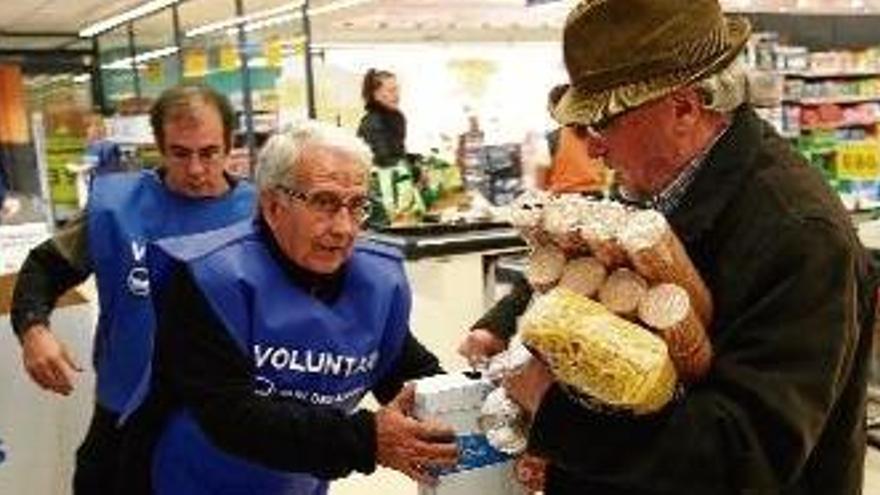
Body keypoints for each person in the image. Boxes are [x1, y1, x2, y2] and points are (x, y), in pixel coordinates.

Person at [461, 1, 878, 494]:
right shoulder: (662, 182)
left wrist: (551, 409)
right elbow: (602, 261)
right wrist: (508, 321)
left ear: (682, 108)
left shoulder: (797, 234)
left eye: (603, 121)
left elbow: (744, 456)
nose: (593, 146)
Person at [123, 120, 458, 494]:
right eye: (324, 203)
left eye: (357, 205)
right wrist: (366, 439)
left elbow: (404, 370)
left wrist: (478, 405)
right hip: (201, 482)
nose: (344, 228)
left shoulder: (374, 280)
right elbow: (231, 414)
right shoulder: (211, 277)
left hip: (299, 482)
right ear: (272, 206)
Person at [9, 83, 257, 495]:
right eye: (180, 152)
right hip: (127, 412)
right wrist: (34, 330)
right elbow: (44, 268)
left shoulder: (263, 215)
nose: (196, 168)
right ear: (159, 146)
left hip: (226, 419)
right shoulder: (116, 208)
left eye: (209, 152)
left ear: (231, 144)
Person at [357, 68, 407, 167]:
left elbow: (399, 155)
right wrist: (416, 172)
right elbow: (384, 161)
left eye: (397, 89)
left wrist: (417, 162)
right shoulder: (372, 123)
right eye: (391, 91)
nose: (397, 95)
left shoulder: (397, 117)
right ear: (376, 95)